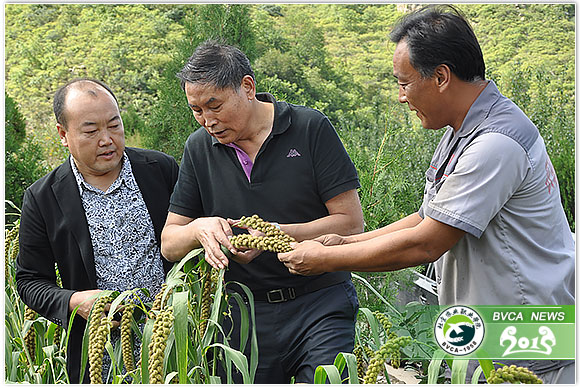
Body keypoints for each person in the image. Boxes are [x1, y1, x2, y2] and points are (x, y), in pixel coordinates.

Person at [278, 5, 575, 384]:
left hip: (524, 327)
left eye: (403, 83)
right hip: (492, 325)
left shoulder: (494, 144)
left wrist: (327, 260)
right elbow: (427, 215)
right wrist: (345, 241)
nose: (401, 97)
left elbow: (426, 244)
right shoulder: (462, 130)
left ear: (441, 77)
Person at [160, 40, 364, 383]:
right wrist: (199, 230)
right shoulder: (199, 148)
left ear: (247, 87)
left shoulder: (309, 128)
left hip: (319, 303)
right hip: (242, 315)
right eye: (196, 110)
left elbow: (351, 223)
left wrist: (275, 234)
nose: (207, 120)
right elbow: (169, 242)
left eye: (215, 105)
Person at [15, 78, 179, 383]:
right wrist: (74, 302)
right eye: (91, 131)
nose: (107, 140)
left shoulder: (161, 170)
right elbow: (29, 280)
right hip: (100, 360)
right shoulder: (43, 198)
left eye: (114, 126)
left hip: (174, 350)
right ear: (63, 135)